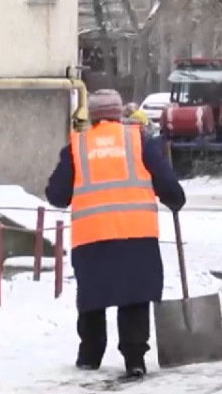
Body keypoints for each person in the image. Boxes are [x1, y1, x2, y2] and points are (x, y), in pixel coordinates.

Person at [44, 89, 186, 379]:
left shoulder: (78, 146)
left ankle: (89, 357)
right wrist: (174, 199)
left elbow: (57, 195)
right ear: (119, 113)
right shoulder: (138, 141)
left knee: (93, 297)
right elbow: (167, 182)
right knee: (134, 295)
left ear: (93, 116)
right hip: (136, 234)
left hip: (92, 237)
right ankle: (134, 359)